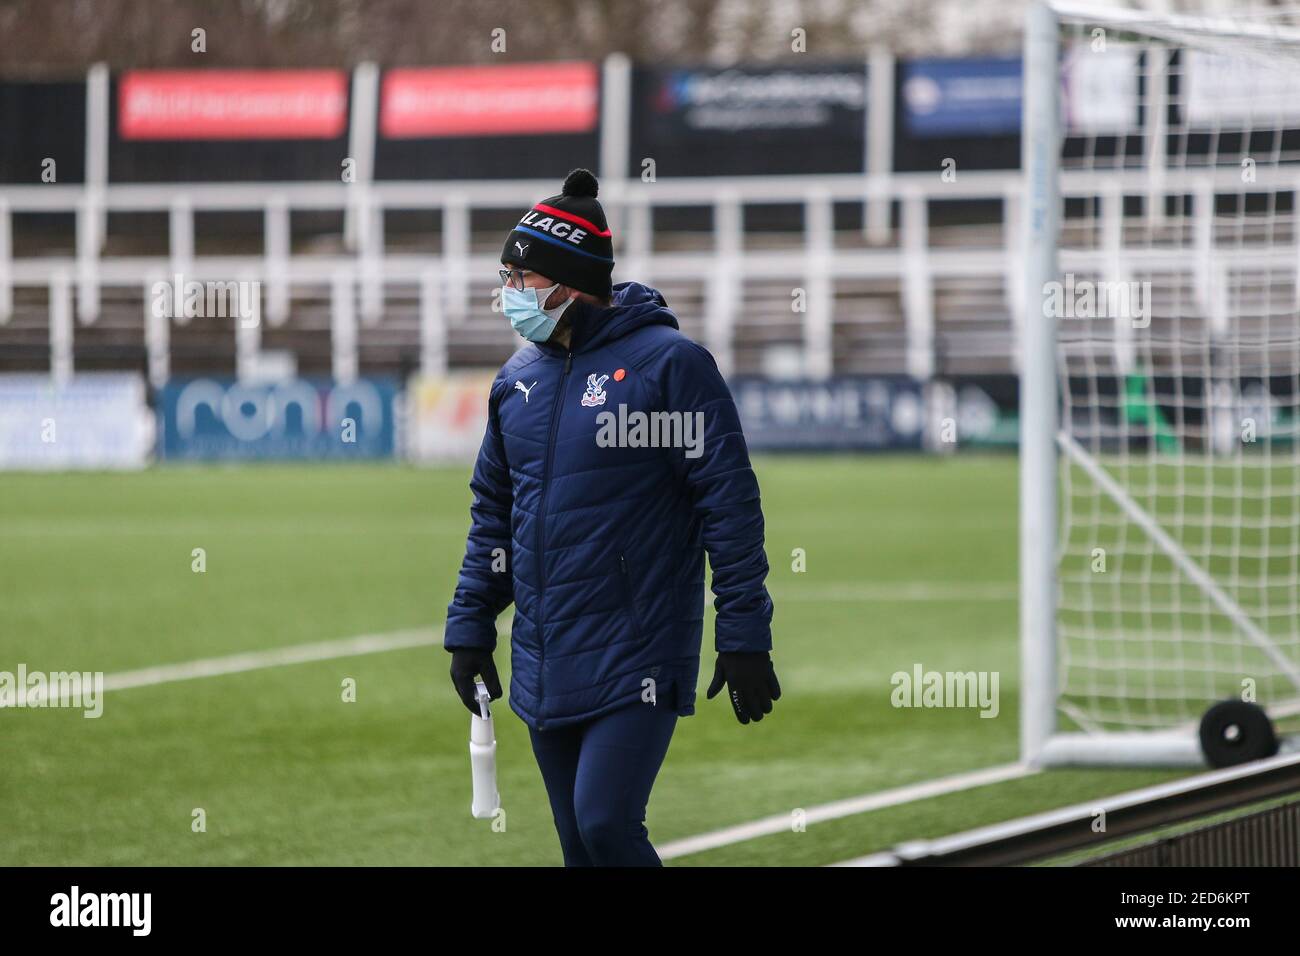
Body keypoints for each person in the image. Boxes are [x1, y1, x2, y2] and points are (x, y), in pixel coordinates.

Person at [444, 167, 780, 866]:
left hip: (638, 651)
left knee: (606, 824)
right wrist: (471, 626)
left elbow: (730, 504)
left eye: (519, 278)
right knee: (578, 848)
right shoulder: (517, 383)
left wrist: (744, 632)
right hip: (544, 655)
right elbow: (493, 516)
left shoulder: (671, 365)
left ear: (567, 282)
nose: (508, 294)